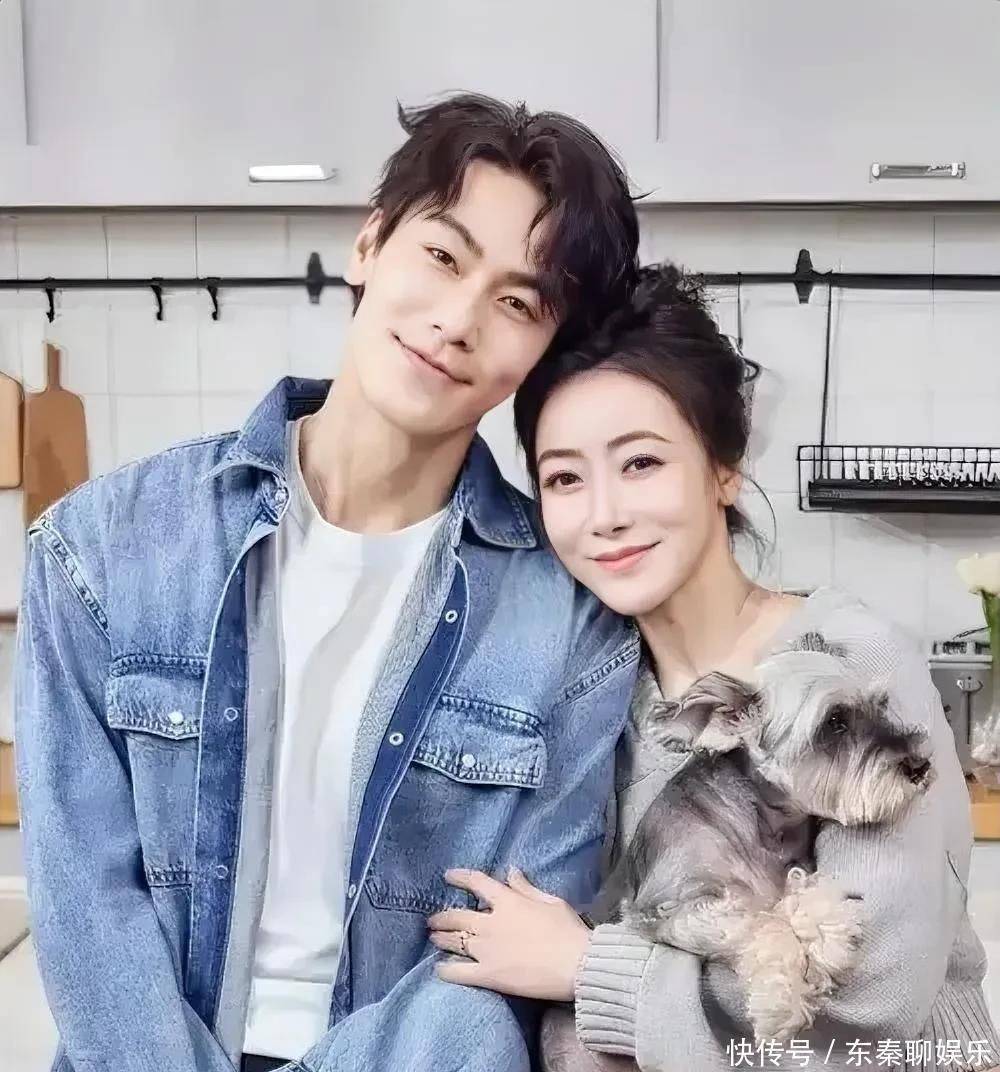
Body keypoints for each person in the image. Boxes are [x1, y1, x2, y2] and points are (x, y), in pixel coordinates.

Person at [13, 94, 643, 1072]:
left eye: (517, 303)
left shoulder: (573, 622)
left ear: (539, 354)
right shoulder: (99, 547)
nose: (458, 320)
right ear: (368, 244)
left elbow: (497, 958)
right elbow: (86, 907)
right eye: (443, 256)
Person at [428, 265, 1000, 1071]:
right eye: (564, 477)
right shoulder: (594, 695)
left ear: (724, 468)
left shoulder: (850, 664)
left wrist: (585, 969)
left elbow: (872, 1002)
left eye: (641, 463)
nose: (604, 514)